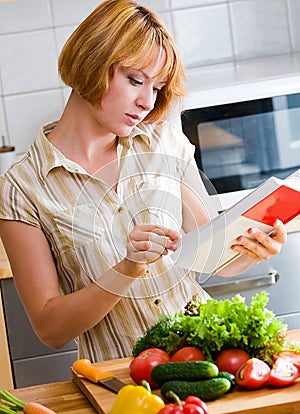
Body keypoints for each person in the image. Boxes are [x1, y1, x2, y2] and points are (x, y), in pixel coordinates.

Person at [0, 0, 287, 362]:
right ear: (91, 63)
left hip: (205, 364)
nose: (146, 102)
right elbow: (50, 329)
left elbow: (211, 257)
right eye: (135, 80)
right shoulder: (21, 187)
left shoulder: (164, 143)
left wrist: (251, 250)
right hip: (123, 382)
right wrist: (127, 268)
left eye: (157, 87)